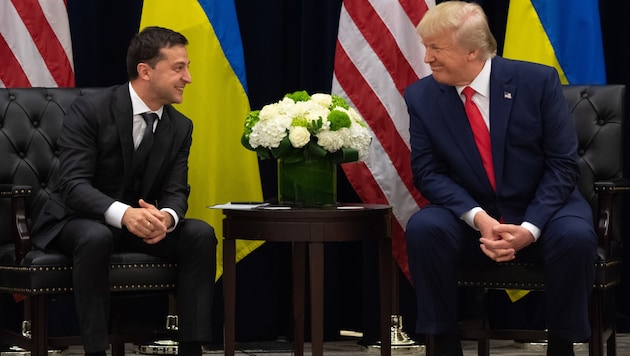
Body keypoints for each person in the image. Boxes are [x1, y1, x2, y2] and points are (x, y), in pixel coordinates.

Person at [403, 2, 597, 356]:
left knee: (576, 235)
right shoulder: (422, 96)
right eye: (426, 47)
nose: (427, 58)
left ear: (472, 50)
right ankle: (442, 343)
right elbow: (428, 173)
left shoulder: (537, 81)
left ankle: (563, 343)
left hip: (543, 208)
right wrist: (478, 218)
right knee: (423, 228)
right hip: (472, 212)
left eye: (436, 48)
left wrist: (531, 227)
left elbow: (562, 165)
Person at [31, 26, 216, 356]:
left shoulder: (180, 126)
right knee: (95, 237)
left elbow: (176, 189)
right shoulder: (91, 109)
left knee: (200, 234)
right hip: (76, 218)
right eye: (178, 68)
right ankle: (96, 350)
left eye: (187, 67)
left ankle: (192, 348)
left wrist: (167, 217)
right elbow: (73, 185)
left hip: (137, 222)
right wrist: (124, 214)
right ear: (145, 71)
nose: (188, 77)